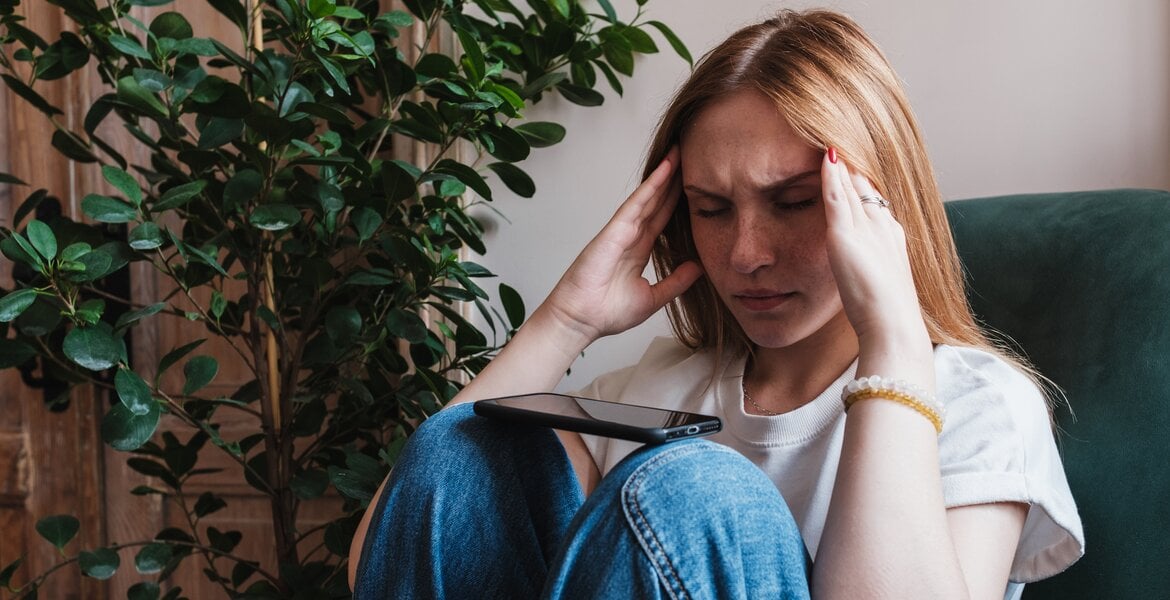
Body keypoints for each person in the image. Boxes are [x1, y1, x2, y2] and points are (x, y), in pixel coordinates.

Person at [348, 9, 1083, 599]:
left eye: (793, 203)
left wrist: (893, 343)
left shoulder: (979, 404)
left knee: (696, 488)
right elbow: (389, 555)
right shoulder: (661, 386)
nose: (746, 254)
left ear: (878, 205)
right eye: (712, 209)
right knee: (461, 443)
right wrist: (564, 322)